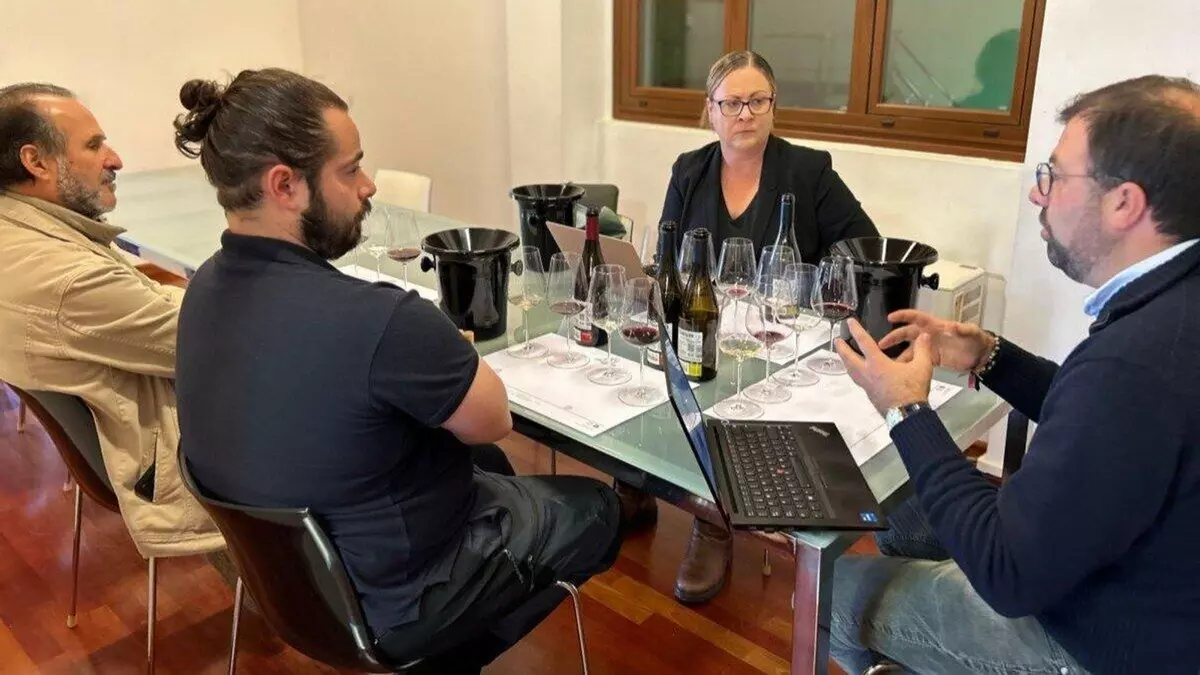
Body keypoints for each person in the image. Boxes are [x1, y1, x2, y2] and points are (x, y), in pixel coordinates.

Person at [171, 68, 622, 674]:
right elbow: (492, 419)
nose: (369, 186)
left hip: (293, 591)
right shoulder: (383, 319)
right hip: (394, 603)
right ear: (285, 185)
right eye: (350, 169)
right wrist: (440, 347)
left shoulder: (201, 289)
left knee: (484, 463)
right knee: (599, 508)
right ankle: (444, 657)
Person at [830, 75, 1200, 674]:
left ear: (1124, 203)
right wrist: (989, 355)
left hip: (1091, 641)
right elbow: (1104, 425)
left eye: (1054, 176)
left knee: (834, 588)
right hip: (1120, 577)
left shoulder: (1136, 359)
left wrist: (907, 409)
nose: (1037, 194)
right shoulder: (1171, 309)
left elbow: (1008, 573)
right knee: (905, 512)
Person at [624, 50, 880, 605]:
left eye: (757, 101)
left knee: (724, 402)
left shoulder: (808, 170)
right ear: (711, 110)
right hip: (703, 324)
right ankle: (634, 484)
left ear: (773, 107)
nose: (745, 114)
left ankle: (713, 522)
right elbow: (666, 251)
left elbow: (863, 249)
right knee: (645, 372)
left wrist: (805, 287)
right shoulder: (689, 170)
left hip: (774, 337)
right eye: (732, 103)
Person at [0, 83, 224, 559]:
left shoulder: (26, 232)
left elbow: (149, 301)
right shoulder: (66, 278)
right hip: (174, 457)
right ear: (35, 162)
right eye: (94, 145)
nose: (115, 159)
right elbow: (218, 344)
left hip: (126, 434)